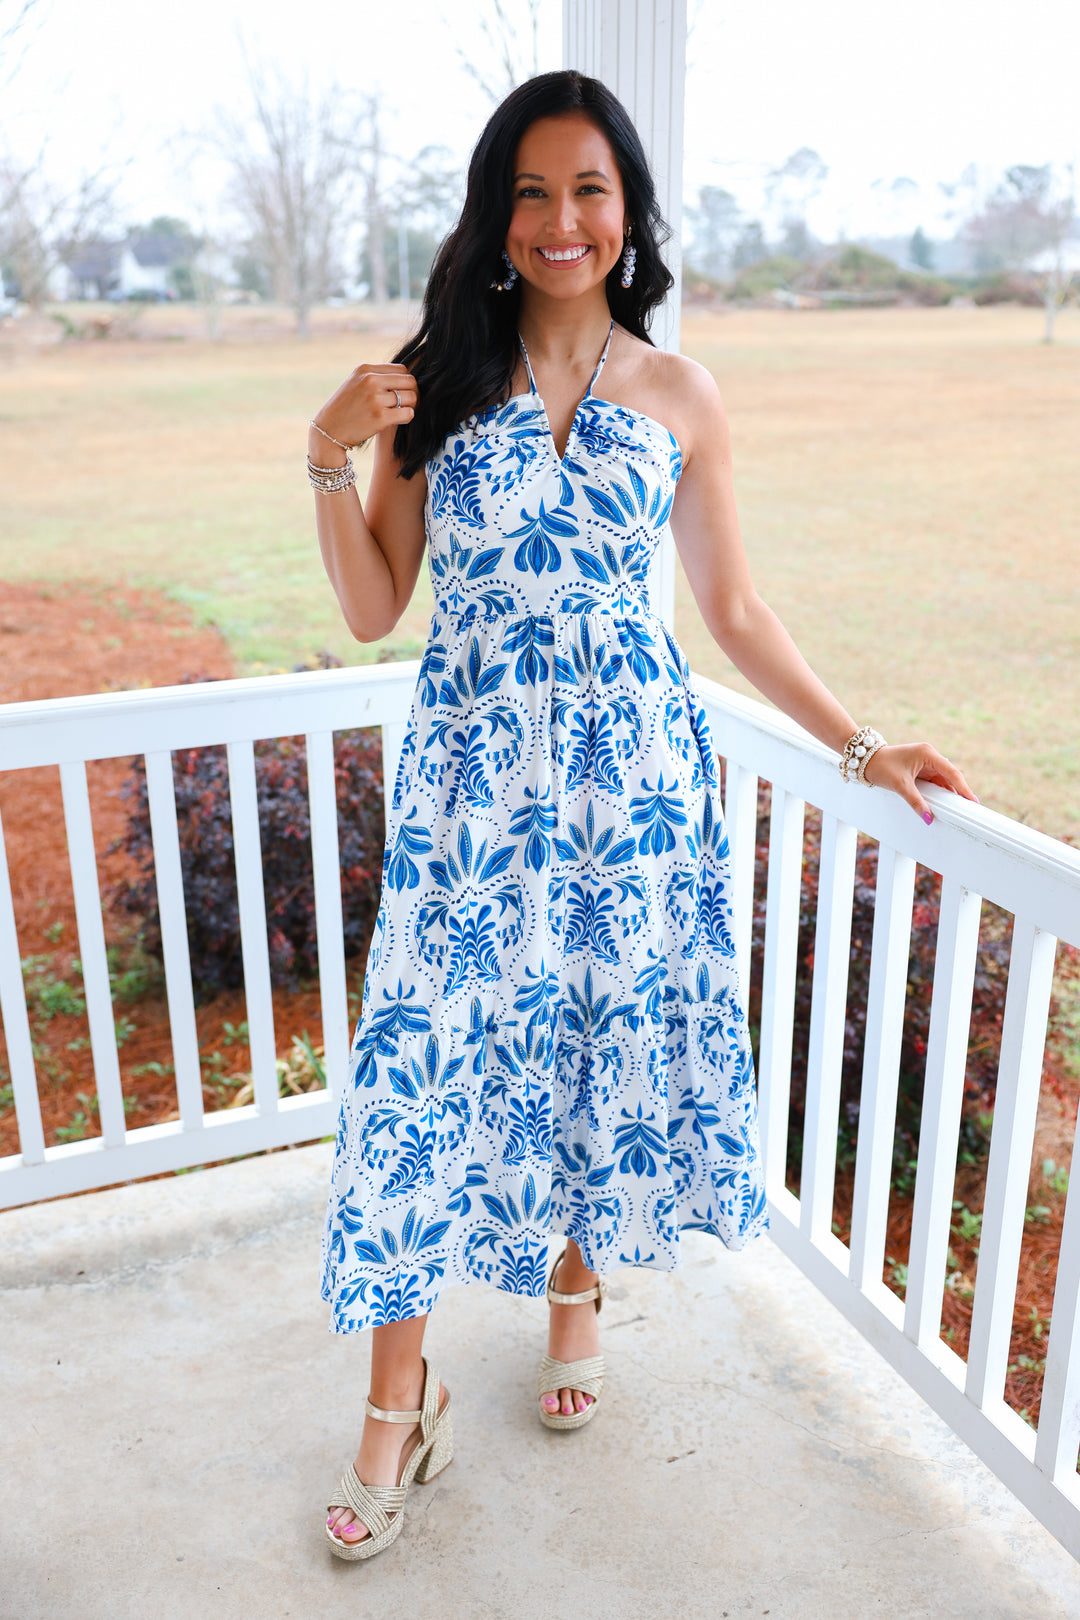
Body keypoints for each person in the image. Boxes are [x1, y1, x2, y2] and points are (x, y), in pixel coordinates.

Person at [307, 69, 976, 1561]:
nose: (562, 219)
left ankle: (571, 1287)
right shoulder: (433, 383)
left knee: (588, 1048)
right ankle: (393, 1413)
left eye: (589, 190)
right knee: (420, 1085)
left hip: (634, 797)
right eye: (533, 191)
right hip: (473, 802)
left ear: (628, 215)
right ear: (497, 216)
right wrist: (327, 450)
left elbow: (731, 607)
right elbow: (369, 609)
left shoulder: (680, 395)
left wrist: (863, 747)